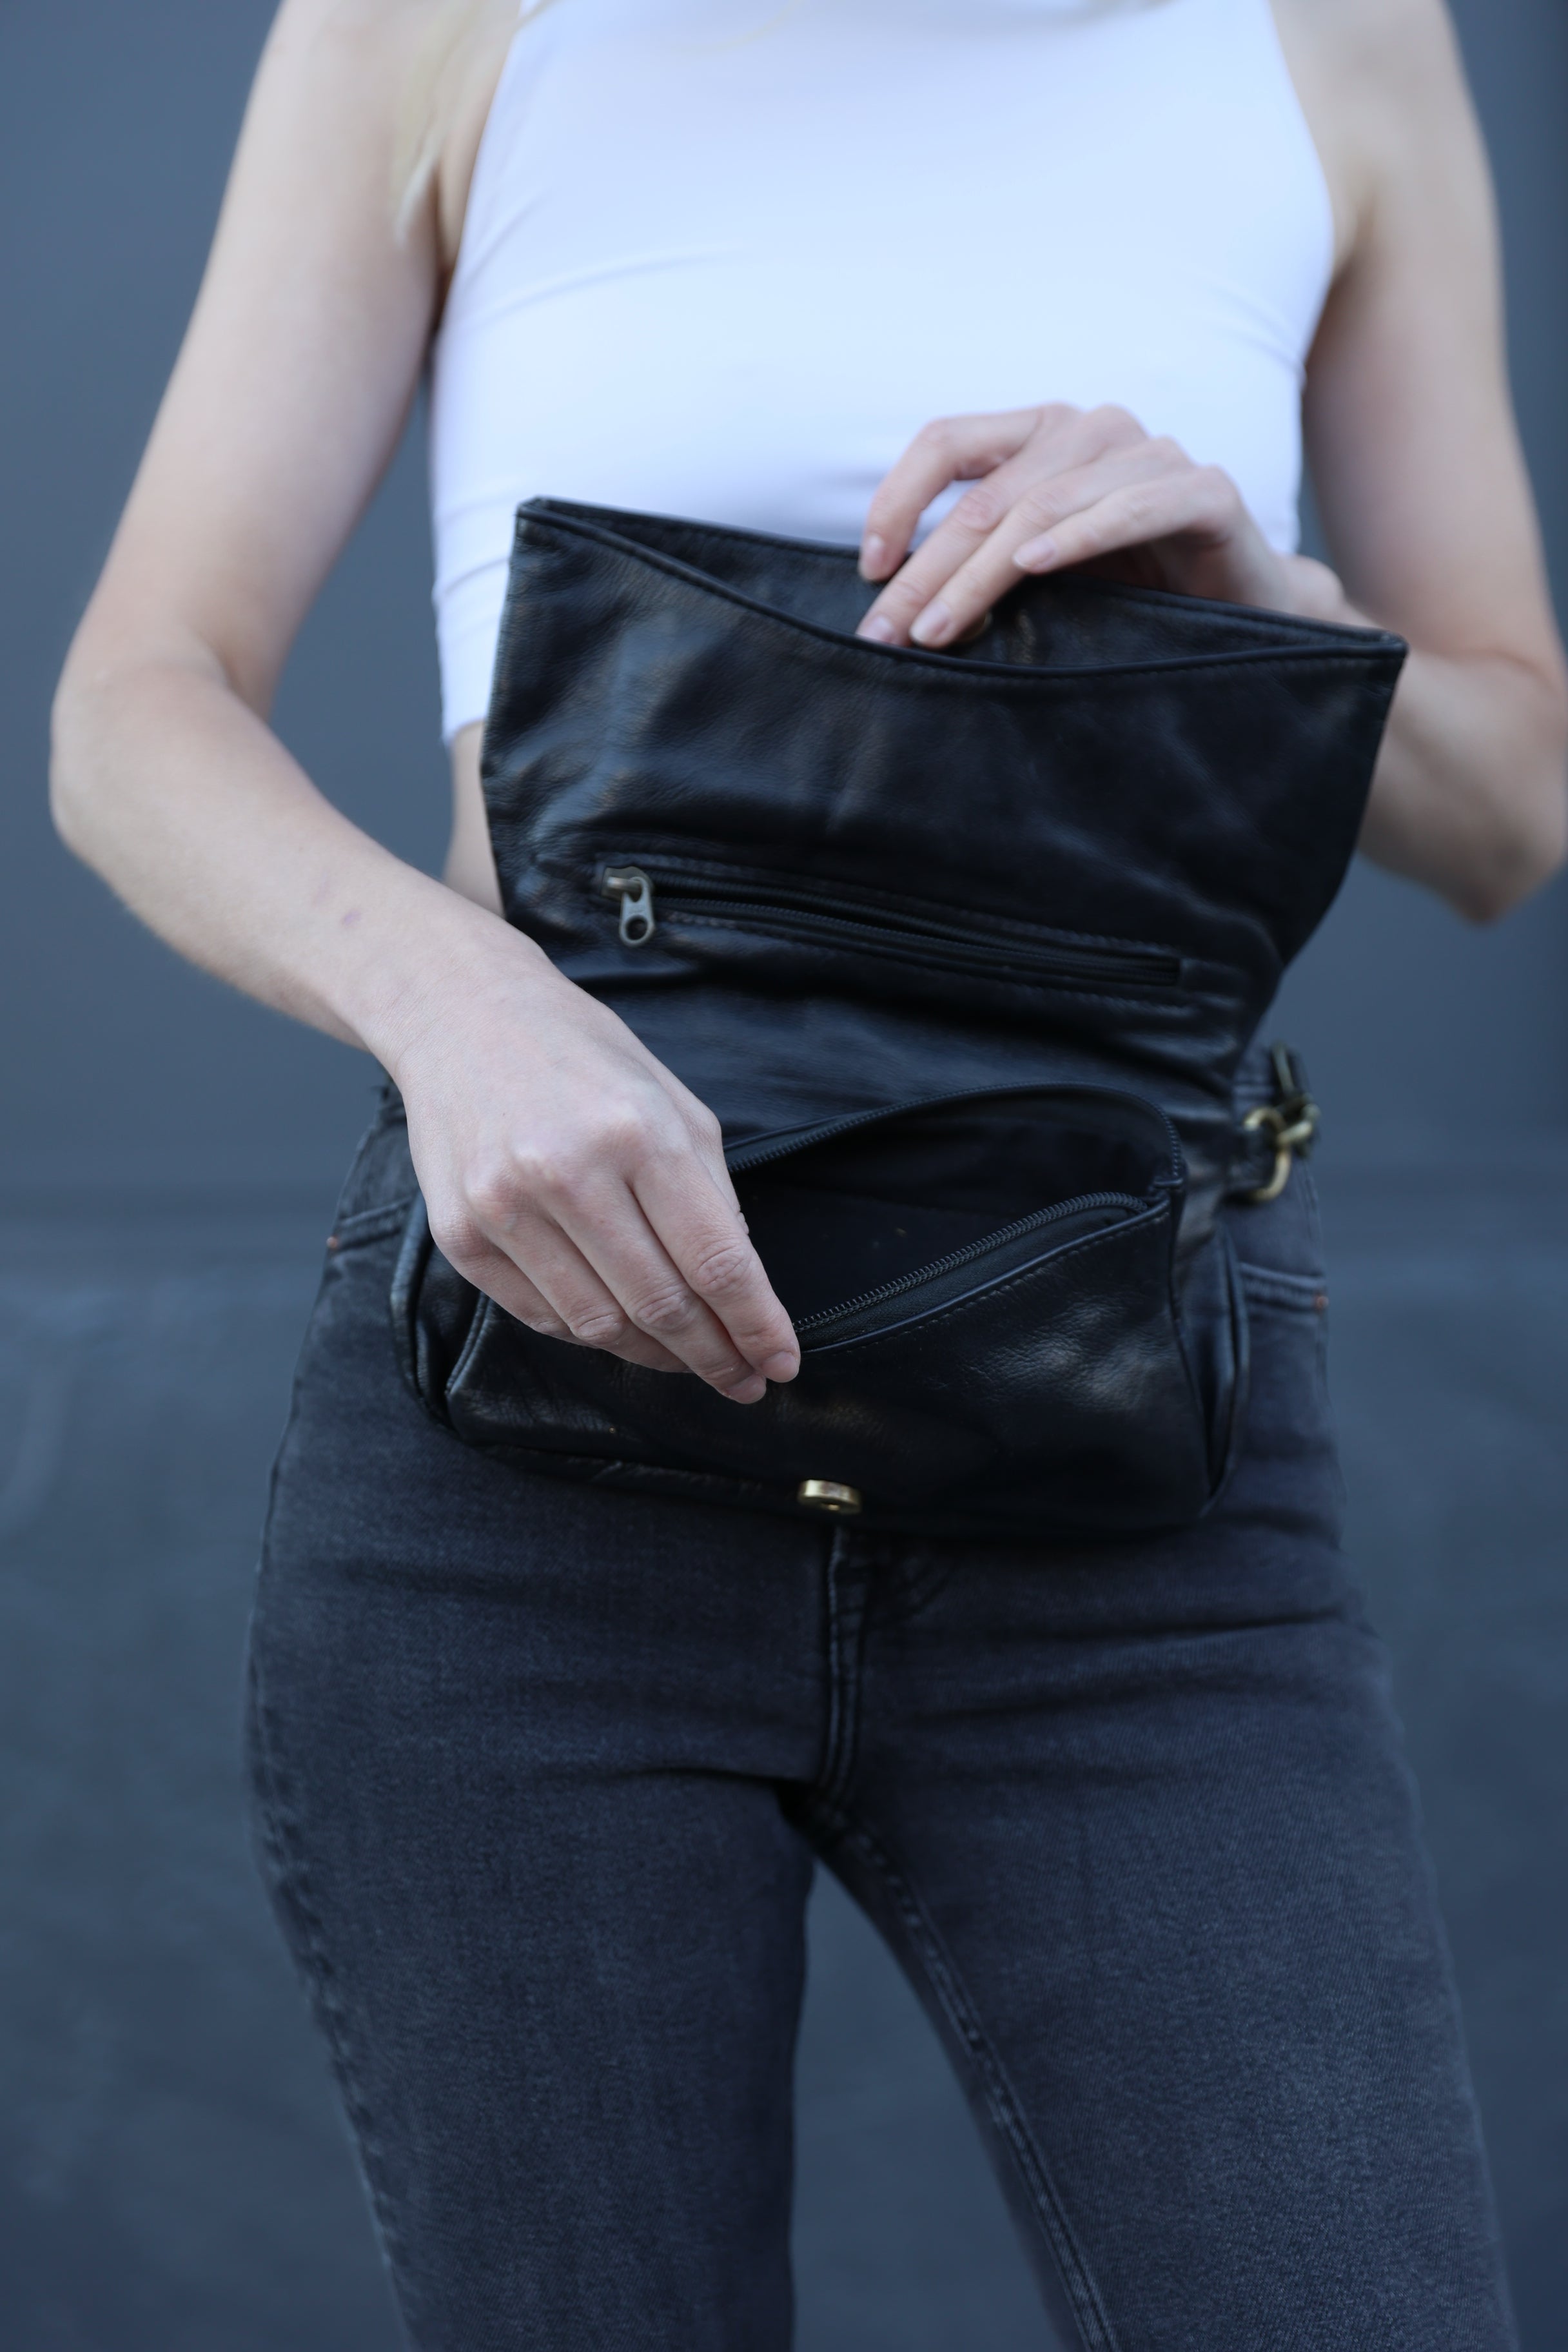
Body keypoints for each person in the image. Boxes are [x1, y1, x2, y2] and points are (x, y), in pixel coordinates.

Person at [50, 0, 1567, 2344]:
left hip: (1140, 1491)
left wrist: (1250, 597)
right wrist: (458, 999)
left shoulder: (1340, 38)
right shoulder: (435, 24)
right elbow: (135, 700)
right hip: (529, 1476)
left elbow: (1511, 800)